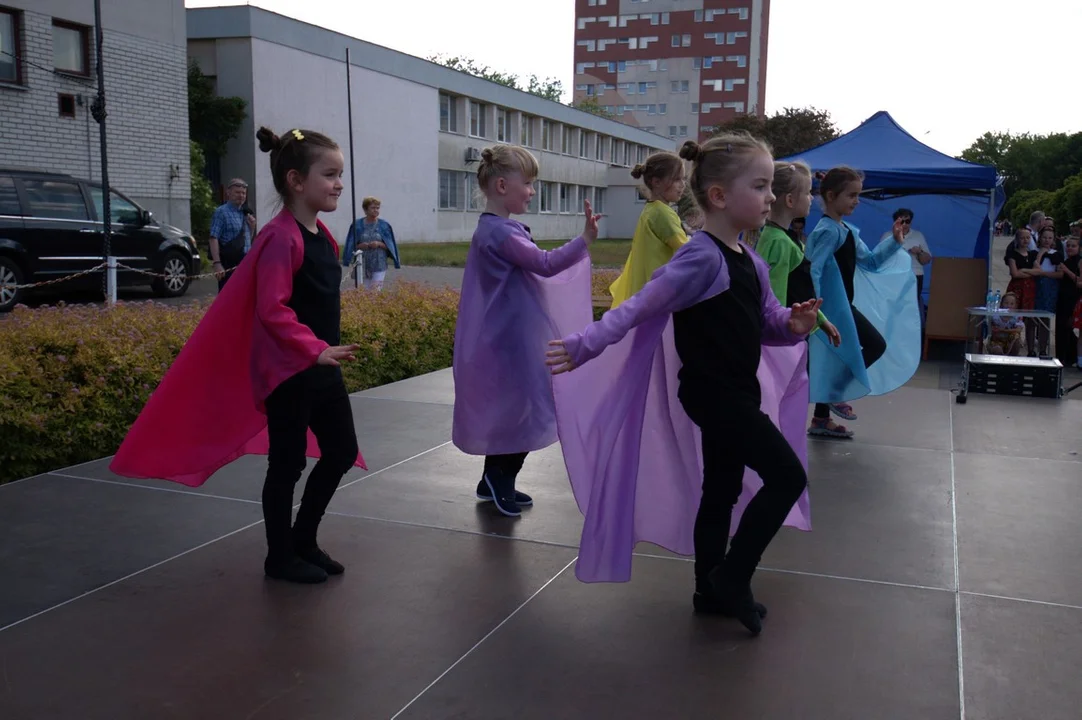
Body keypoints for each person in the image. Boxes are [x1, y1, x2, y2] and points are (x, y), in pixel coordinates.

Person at [546, 134, 822, 636]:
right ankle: (733, 577)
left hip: (736, 394)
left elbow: (764, 323)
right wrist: (586, 341)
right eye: (759, 186)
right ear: (718, 196)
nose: (769, 196)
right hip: (713, 396)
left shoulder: (749, 260)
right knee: (786, 476)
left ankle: (708, 592)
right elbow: (639, 305)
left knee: (719, 490)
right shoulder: (702, 258)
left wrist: (792, 325)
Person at [110, 126, 365, 585]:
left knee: (341, 451)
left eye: (340, 174)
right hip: (290, 372)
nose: (339, 184)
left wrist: (323, 352)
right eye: (329, 174)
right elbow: (271, 309)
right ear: (295, 180)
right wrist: (314, 348)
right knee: (286, 465)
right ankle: (279, 556)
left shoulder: (322, 235)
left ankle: (303, 539)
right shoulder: (279, 237)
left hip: (322, 367)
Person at [452, 144, 602, 518]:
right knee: (524, 409)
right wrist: (583, 240)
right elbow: (545, 264)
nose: (532, 191)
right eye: (529, 184)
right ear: (502, 186)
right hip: (511, 340)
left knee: (515, 408)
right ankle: (500, 480)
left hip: (507, 336)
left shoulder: (498, 229)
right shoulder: (501, 234)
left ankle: (493, 480)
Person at [804, 167, 919, 428]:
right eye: (851, 195)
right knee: (874, 345)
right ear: (831, 196)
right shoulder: (827, 231)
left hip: (843, 307)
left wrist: (894, 241)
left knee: (835, 357)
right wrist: (816, 311)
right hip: (830, 310)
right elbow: (813, 270)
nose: (857, 200)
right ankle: (835, 392)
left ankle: (821, 418)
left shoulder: (847, 231)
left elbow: (872, 261)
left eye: (858, 195)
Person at [755, 161, 847, 435]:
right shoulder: (778, 242)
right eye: (809, 192)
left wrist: (821, 320)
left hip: (793, 333)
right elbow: (773, 296)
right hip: (783, 339)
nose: (812, 198)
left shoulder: (789, 239)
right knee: (779, 395)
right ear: (790, 200)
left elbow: (802, 293)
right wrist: (781, 335)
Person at [609, 152, 688, 308]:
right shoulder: (662, 213)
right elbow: (687, 250)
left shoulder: (650, 210)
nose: (682, 185)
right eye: (677, 179)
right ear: (656, 182)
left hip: (646, 292)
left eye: (683, 179)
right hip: (658, 294)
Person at [343, 196, 401, 291]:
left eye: (377, 208)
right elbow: (350, 245)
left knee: (375, 292)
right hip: (363, 263)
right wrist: (360, 246)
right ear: (366, 210)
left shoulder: (384, 225)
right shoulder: (357, 225)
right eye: (373, 208)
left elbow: (391, 246)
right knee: (363, 291)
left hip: (379, 263)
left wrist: (379, 244)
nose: (376, 210)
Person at [209, 178, 257, 291]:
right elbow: (213, 238)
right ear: (228, 193)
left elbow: (246, 241)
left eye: (243, 193)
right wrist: (217, 263)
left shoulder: (245, 213)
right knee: (228, 299)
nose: (241, 195)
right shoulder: (221, 212)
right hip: (228, 264)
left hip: (245, 263)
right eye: (237, 192)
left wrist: (252, 227)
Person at [1004, 228, 1039, 355]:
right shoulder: (1012, 254)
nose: (1025, 240)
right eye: (1022, 238)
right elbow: (1014, 273)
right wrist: (1029, 273)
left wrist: (1024, 270)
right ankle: (1011, 346)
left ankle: (1030, 349)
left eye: (1028, 238)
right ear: (1017, 239)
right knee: (1013, 316)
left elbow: (1038, 271)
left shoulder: (1033, 254)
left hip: (1030, 289)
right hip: (1017, 288)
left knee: (1030, 318)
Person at [1032, 226, 1062, 357]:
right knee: (1031, 318)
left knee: (1045, 318)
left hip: (1049, 287)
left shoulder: (1056, 254)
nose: (1047, 240)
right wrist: (1040, 254)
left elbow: (1059, 273)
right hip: (1035, 285)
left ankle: (1043, 348)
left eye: (1050, 238)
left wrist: (1044, 273)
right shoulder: (1034, 252)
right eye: (1044, 237)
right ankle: (1031, 348)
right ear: (1039, 238)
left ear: (1053, 239)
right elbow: (1035, 268)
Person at [1054, 236, 1080, 366]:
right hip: (1063, 297)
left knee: (1068, 326)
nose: (1070, 248)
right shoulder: (1066, 260)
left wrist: (1066, 270)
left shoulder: (1079, 262)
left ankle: (1071, 356)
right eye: (1068, 245)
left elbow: (1078, 281)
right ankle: (1063, 355)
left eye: (1073, 246)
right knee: (1061, 327)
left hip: (1073, 298)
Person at [987, 291, 1025, 356]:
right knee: (997, 349)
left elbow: (1018, 330)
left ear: (1016, 305)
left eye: (1012, 304)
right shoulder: (996, 316)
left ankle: (1012, 356)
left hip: (1010, 342)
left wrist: (1002, 330)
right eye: (1006, 303)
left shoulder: (1017, 317)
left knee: (1016, 336)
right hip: (997, 341)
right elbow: (993, 330)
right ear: (1001, 304)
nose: (1008, 306)